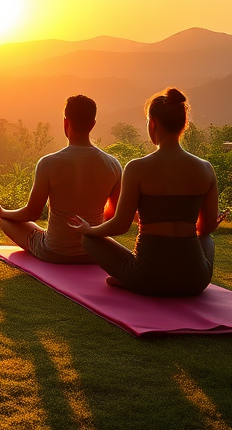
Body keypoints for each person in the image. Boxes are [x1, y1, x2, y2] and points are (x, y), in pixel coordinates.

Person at [69, 88, 223, 297]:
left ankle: (128, 279)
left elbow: (120, 225)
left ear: (153, 123)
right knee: (206, 240)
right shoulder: (205, 169)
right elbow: (205, 228)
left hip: (147, 278)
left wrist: (88, 229)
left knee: (89, 240)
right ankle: (131, 278)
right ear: (183, 125)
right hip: (194, 281)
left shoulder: (137, 168)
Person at [0, 95, 122, 264]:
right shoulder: (113, 165)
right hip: (93, 253)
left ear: (65, 122)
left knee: (6, 221)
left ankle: (49, 235)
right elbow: (111, 214)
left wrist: (2, 212)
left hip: (54, 252)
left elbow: (32, 213)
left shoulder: (48, 163)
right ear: (92, 125)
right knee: (38, 229)